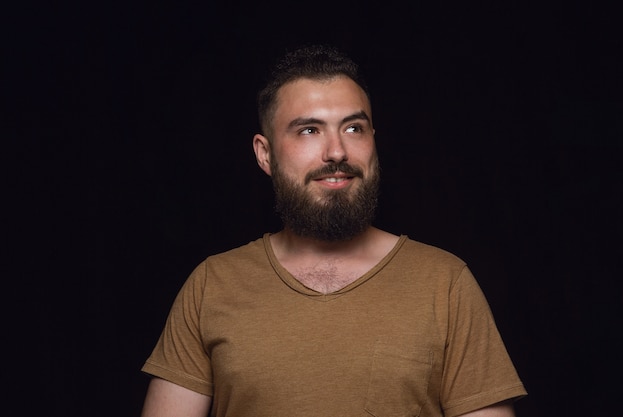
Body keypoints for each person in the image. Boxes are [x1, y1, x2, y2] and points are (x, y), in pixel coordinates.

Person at [140, 44, 527, 417]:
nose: (337, 152)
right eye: (309, 130)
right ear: (265, 153)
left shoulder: (446, 283)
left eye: (354, 128)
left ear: (374, 140)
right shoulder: (212, 285)